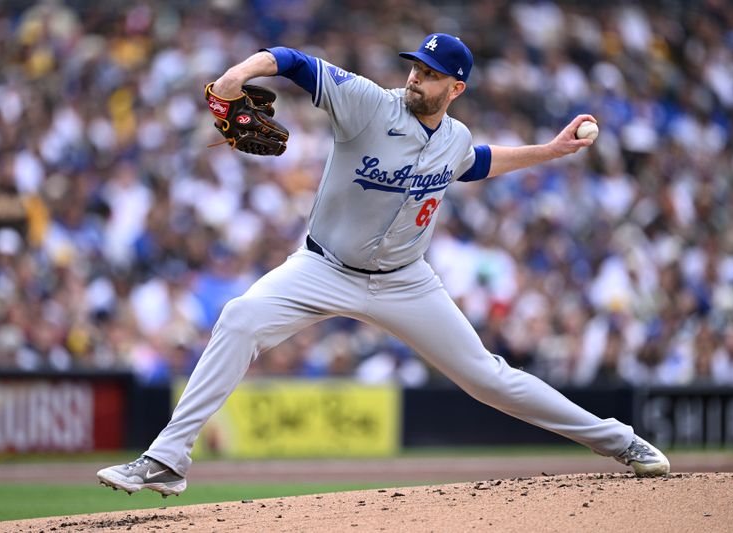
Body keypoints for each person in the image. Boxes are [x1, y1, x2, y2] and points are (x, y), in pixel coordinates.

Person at [97, 33, 670, 497]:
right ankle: (167, 459)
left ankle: (621, 442)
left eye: (429, 73)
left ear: (456, 87)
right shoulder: (369, 103)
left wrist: (549, 151)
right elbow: (294, 61)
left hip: (405, 281)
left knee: (489, 378)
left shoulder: (455, 136)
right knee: (241, 318)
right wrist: (237, 77)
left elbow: (474, 164)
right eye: (415, 68)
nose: (416, 77)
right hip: (324, 268)